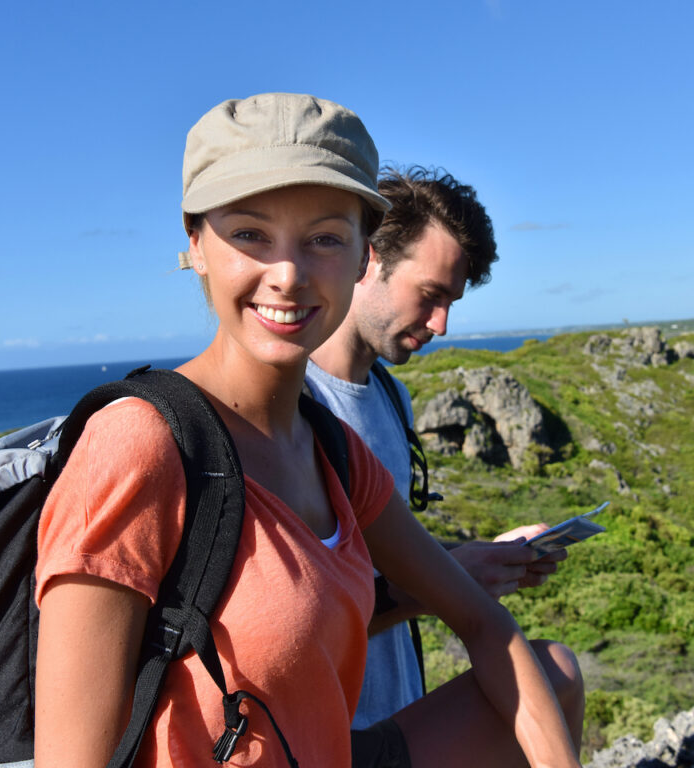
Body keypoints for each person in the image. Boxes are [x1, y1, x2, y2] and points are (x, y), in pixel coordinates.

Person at [33, 94, 584, 768]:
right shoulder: (139, 444)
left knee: (554, 672)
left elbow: (482, 621)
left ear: (361, 259)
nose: (288, 275)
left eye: (324, 237)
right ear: (196, 245)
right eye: (249, 234)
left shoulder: (335, 450)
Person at [307, 165, 584, 736]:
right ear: (368, 260)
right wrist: (449, 582)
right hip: (330, 733)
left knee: (555, 675)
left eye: (450, 302)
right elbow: (300, 621)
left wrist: (481, 559)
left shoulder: (392, 398)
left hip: (399, 713)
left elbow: (386, 564)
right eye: (430, 296)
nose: (441, 324)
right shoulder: (292, 409)